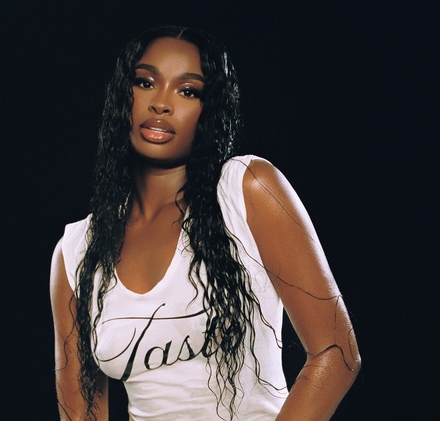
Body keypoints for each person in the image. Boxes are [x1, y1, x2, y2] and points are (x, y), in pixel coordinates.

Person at [50, 26, 360, 421]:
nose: (161, 103)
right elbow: (80, 413)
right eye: (145, 82)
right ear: (123, 96)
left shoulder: (246, 192)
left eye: (187, 91)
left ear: (209, 109)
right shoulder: (77, 251)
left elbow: (336, 353)